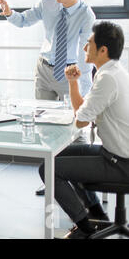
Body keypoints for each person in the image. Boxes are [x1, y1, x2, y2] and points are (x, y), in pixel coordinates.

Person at [0, 0, 95, 195]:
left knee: (74, 128)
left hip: (70, 73)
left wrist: (83, 90)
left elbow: (84, 53)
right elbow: (24, 20)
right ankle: (52, 178)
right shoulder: (48, 2)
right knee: (44, 126)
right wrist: (10, 12)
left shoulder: (86, 15)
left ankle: (80, 181)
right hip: (44, 70)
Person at [39, 21, 129, 239]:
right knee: (57, 156)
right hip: (114, 153)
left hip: (120, 163)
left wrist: (80, 114)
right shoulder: (113, 71)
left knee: (49, 169)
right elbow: (83, 112)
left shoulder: (107, 78)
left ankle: (85, 226)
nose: (84, 48)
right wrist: (72, 83)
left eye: (88, 43)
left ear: (103, 50)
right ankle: (96, 215)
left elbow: (80, 121)